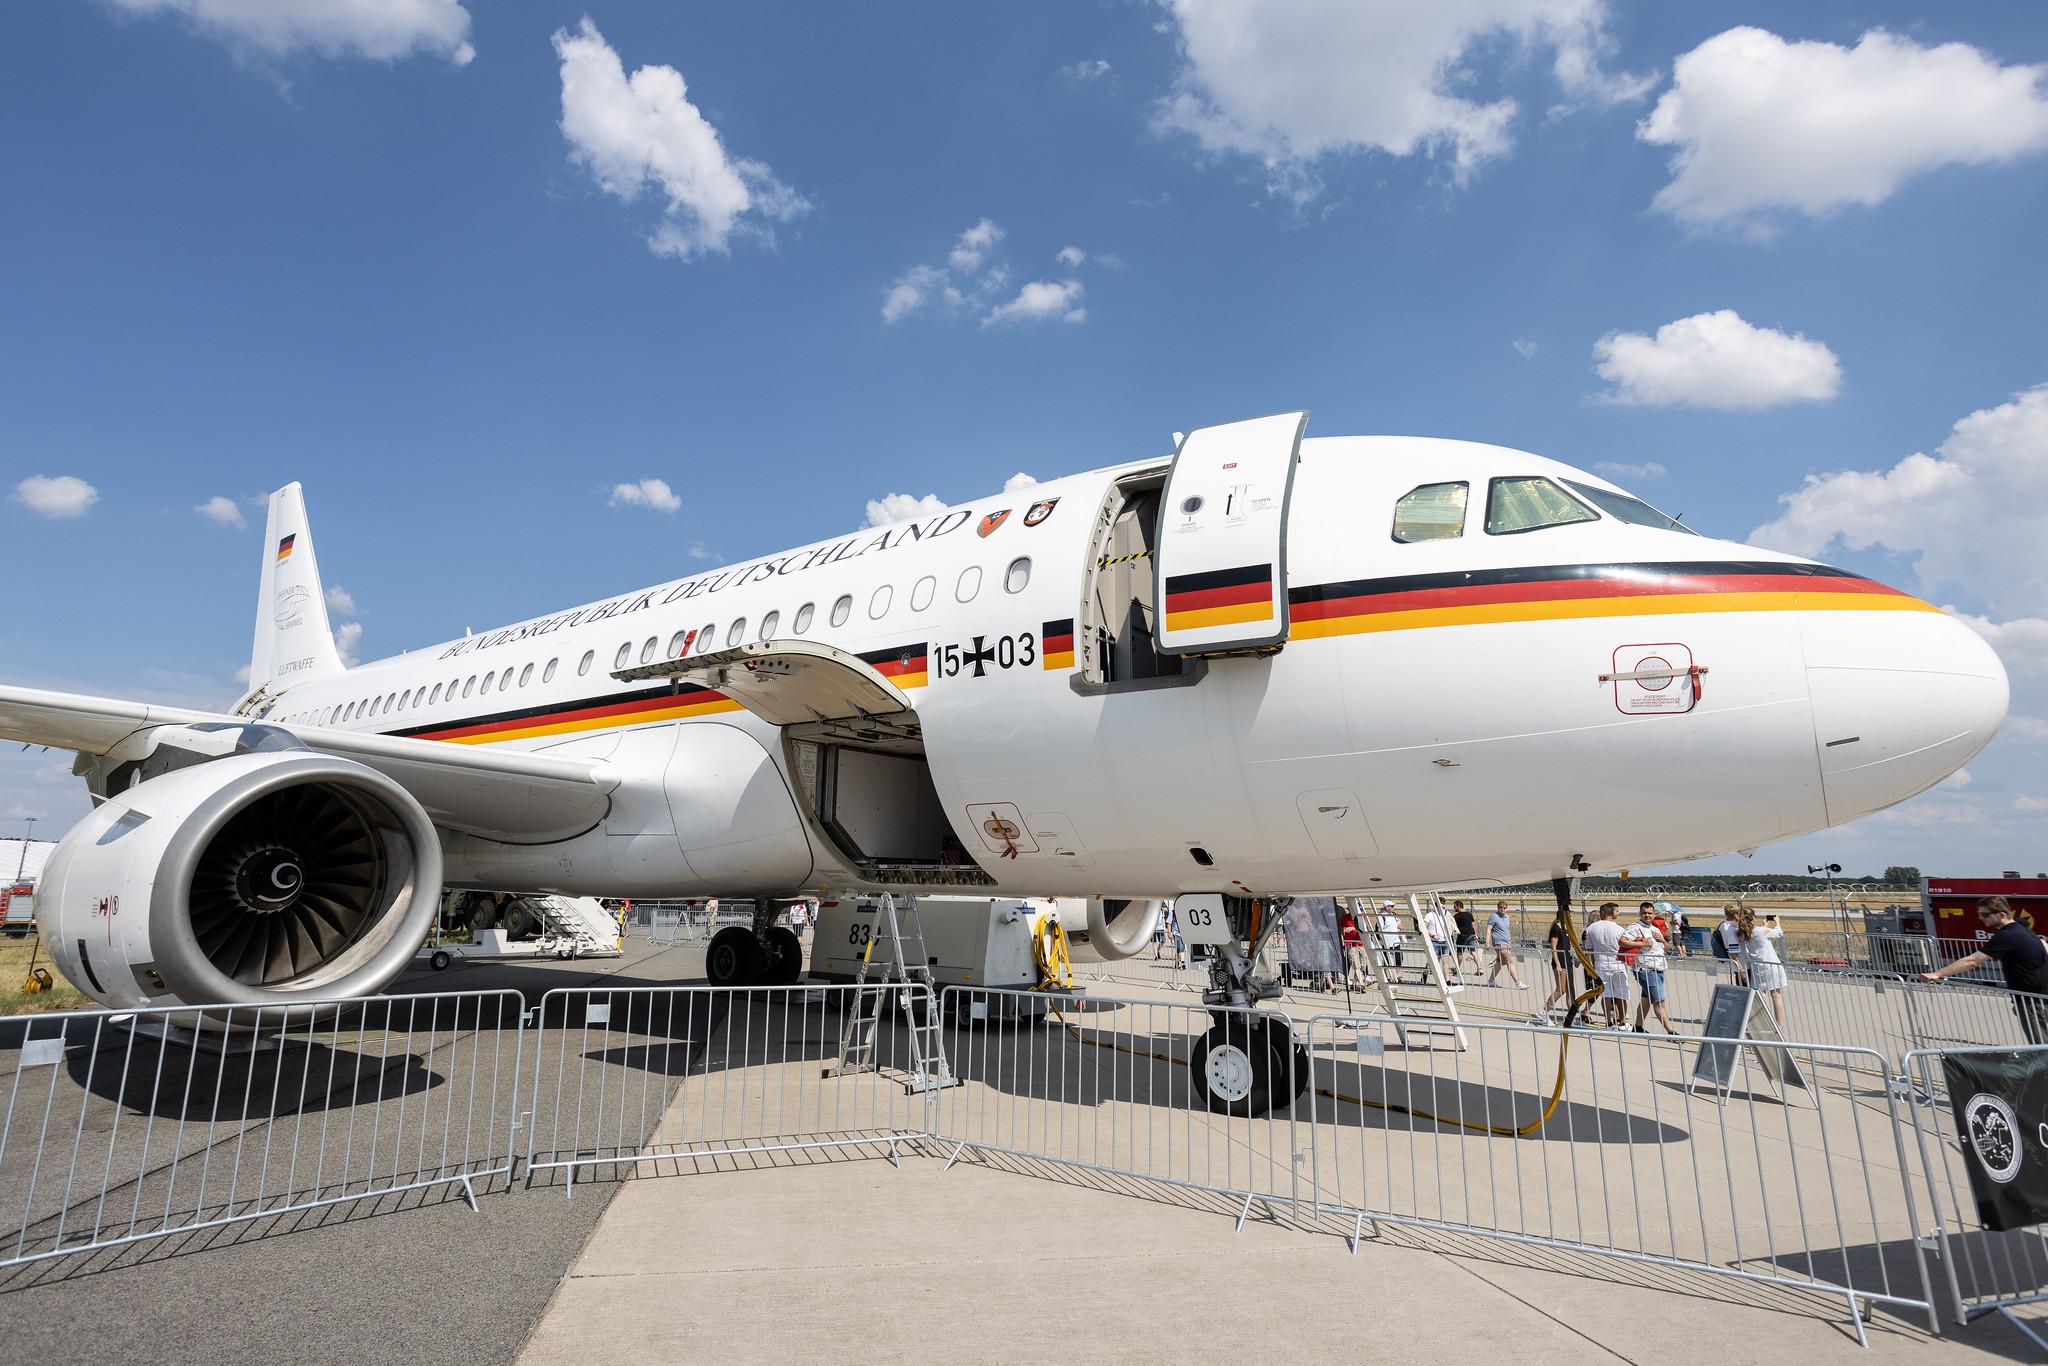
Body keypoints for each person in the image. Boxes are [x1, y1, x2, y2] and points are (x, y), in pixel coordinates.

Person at [1921, 896, 2048, 1044]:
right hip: (2036, 998)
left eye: (1985, 914)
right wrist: (2017, 1002)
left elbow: (1972, 961)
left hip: (2033, 1001)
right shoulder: (2023, 930)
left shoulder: (2007, 936)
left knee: (2041, 1047)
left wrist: (1937, 974)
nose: (1980, 918)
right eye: (1980, 914)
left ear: (2001, 914)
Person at [1622, 904, 1676, 1033]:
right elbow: (1622, 941)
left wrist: (1663, 940)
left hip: (1659, 968)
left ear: (1654, 914)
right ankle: (1671, 1031)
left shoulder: (1655, 929)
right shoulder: (1635, 928)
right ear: (1640, 913)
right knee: (1659, 1002)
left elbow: (1667, 949)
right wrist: (1642, 943)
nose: (1647, 915)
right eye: (1645, 913)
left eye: (1650, 913)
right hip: (1645, 969)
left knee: (1646, 999)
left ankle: (1638, 1026)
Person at [1738, 907, 1787, 1026]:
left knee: (1761, 994)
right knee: (1776, 995)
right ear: (1753, 917)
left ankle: (1761, 1023)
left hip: (1757, 965)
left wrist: (1764, 926)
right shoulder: (1761, 931)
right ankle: (1778, 1025)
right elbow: (1779, 933)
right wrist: (1777, 922)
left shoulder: (1742, 933)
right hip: (1770, 964)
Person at [1582, 902, 1629, 1028]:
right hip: (1617, 963)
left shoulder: (1591, 929)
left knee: (1606, 994)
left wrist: (1591, 966)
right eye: (1617, 911)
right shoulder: (1620, 929)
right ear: (1611, 912)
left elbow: (1589, 949)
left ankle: (1608, 1021)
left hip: (1600, 964)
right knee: (1621, 994)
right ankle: (1623, 1021)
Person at [1542, 915, 1577, 1020]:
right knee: (1561, 989)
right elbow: (1554, 947)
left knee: (1569, 990)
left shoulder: (1566, 928)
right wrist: (1557, 963)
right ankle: (1544, 1010)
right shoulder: (1556, 929)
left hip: (1567, 961)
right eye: (1568, 915)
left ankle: (1571, 1016)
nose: (1571, 917)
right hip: (1560, 962)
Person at [1486, 900, 1526, 988]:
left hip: (1507, 944)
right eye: (1500, 907)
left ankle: (1491, 981)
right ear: (1498, 908)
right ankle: (1517, 983)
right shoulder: (1494, 917)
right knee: (1510, 962)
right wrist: (1487, 942)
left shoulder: (1507, 917)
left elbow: (1506, 930)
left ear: (1506, 908)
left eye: (1504, 908)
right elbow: (1489, 929)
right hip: (1499, 944)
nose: (1502, 909)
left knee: (1499, 962)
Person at [1717, 904, 1747, 986]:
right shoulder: (1731, 930)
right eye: (1740, 913)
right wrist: (1741, 969)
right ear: (1735, 914)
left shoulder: (1724, 924)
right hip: (1742, 965)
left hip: (1739, 965)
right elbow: (1733, 952)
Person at [1419, 901, 1451, 978]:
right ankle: (1425, 973)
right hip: (1434, 941)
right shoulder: (1429, 915)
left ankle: (1447, 980)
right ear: (1436, 907)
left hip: (1444, 940)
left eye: (1443, 907)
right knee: (1434, 961)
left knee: (1445, 961)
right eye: (1440, 907)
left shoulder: (1444, 915)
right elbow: (1423, 927)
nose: (1442, 909)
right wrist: (1433, 935)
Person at [1452, 899, 1482, 976]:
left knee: (1460, 953)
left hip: (1462, 936)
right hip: (1471, 935)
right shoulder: (1469, 914)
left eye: (1455, 906)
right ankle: (1479, 968)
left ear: (1458, 906)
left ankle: (1457, 969)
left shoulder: (1457, 916)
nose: (1454, 908)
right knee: (1473, 952)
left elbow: (1452, 925)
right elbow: (1473, 924)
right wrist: (1475, 934)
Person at [1375, 902, 1406, 972]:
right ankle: (1388, 976)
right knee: (1387, 960)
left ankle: (1398, 975)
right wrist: (1383, 941)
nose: (1393, 907)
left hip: (1396, 941)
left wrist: (1400, 925)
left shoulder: (1394, 916)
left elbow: (1400, 927)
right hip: (1387, 942)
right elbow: (1380, 930)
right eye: (1392, 906)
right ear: (1387, 907)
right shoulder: (1381, 916)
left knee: (1399, 958)